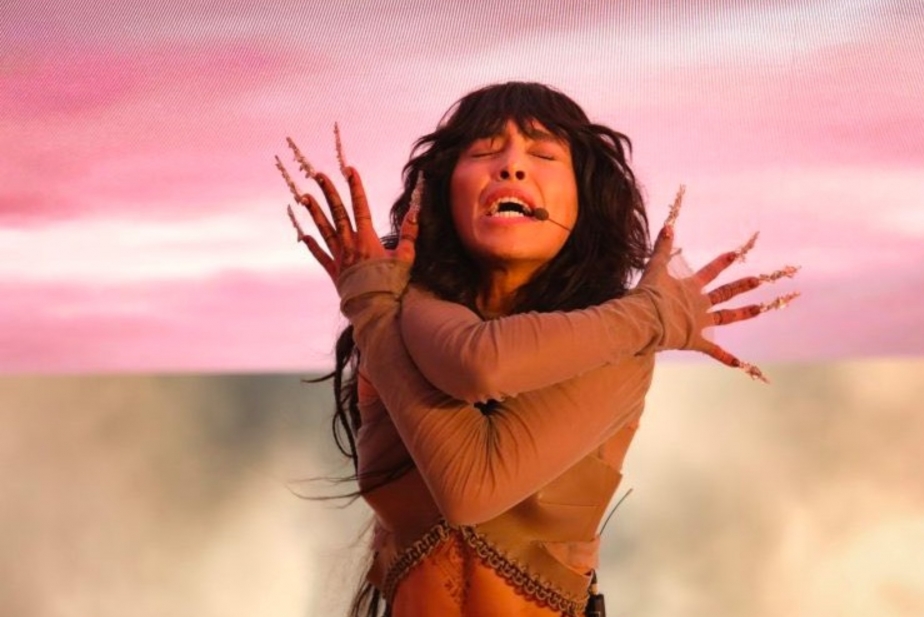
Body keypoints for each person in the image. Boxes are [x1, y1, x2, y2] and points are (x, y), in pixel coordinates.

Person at [276, 82, 797, 617]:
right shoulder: (395, 312)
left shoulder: (613, 347)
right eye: (483, 151)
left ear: (586, 197)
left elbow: (470, 482)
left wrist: (372, 309)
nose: (511, 166)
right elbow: (474, 359)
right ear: (443, 191)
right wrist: (653, 314)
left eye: (544, 154)